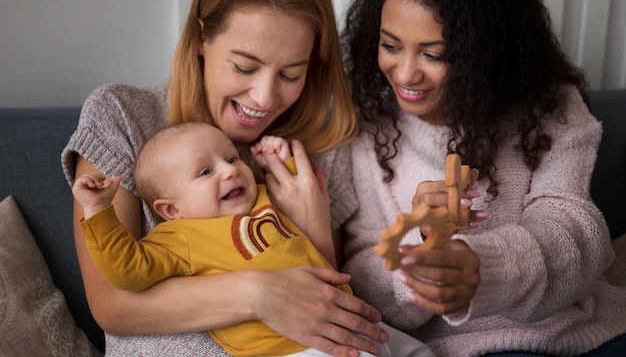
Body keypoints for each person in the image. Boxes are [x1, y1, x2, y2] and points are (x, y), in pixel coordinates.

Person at [62, 0, 388, 356]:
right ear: (202, 38)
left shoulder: (319, 148)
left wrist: (318, 234)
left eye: (291, 73)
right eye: (245, 67)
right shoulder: (122, 115)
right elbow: (113, 303)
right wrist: (256, 292)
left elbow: (323, 303)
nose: (265, 97)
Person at [338, 0, 626, 356]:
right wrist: (420, 242)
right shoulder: (367, 129)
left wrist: (481, 270)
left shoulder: (551, 108)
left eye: (433, 54)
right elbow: (362, 282)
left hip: (573, 334)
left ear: (482, 52)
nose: (404, 73)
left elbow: (577, 234)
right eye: (390, 45)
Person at [72, 122, 435, 357]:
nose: (231, 170)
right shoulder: (178, 237)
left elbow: (297, 208)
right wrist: (99, 214)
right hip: (291, 348)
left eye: (231, 157)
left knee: (415, 351)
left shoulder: (261, 200)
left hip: (346, 316)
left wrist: (279, 161)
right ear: (171, 209)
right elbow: (126, 271)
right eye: (205, 171)